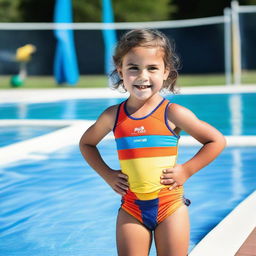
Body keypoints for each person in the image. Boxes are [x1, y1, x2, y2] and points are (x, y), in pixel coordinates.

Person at [79, 29, 226, 256]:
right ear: (121, 71)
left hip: (170, 206)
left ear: (166, 72)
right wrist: (107, 174)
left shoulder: (172, 113)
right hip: (131, 208)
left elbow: (216, 140)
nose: (142, 76)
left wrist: (186, 170)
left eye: (152, 68)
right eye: (133, 68)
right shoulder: (113, 116)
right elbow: (86, 144)